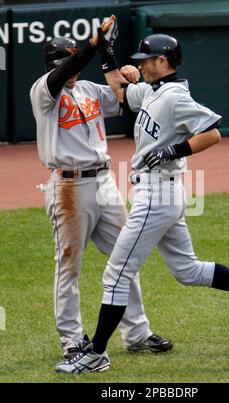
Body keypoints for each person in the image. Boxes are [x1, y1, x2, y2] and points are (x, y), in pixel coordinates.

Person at [55, 18, 229, 374]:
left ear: (164, 61)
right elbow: (118, 91)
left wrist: (174, 151)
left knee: (116, 274)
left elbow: (212, 132)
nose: (142, 64)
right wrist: (105, 51)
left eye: (146, 59)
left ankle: (96, 353)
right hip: (163, 193)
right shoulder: (152, 91)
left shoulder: (176, 96)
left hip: (157, 196)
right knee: (187, 270)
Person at [30, 24, 172, 361]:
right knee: (69, 265)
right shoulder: (44, 91)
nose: (73, 72)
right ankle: (71, 341)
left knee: (125, 257)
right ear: (55, 65)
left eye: (76, 65)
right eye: (68, 65)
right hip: (68, 187)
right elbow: (65, 69)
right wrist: (92, 46)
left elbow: (123, 99)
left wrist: (118, 64)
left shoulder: (89, 89)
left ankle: (137, 333)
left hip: (104, 183)